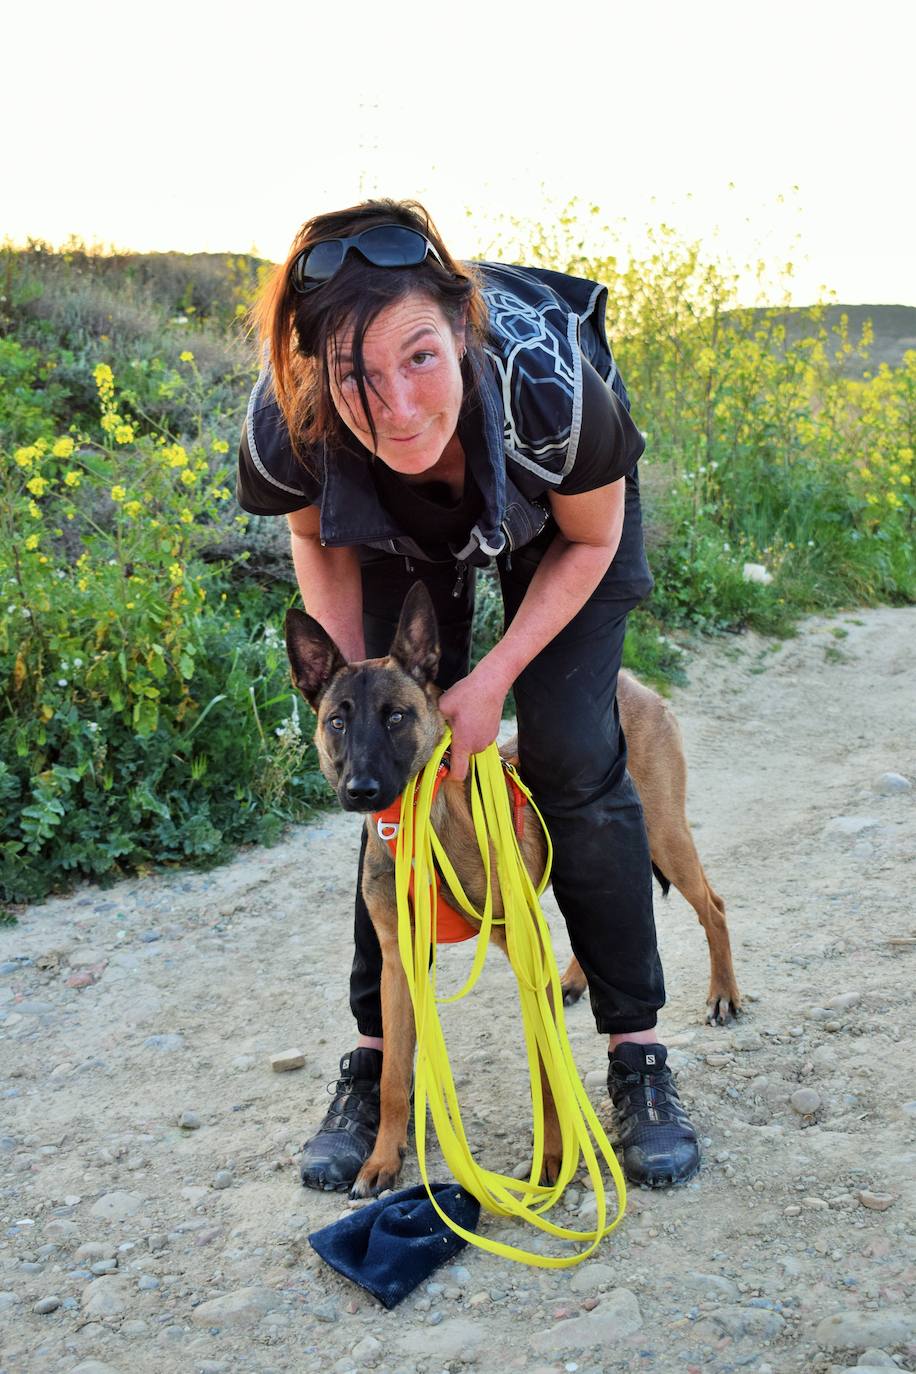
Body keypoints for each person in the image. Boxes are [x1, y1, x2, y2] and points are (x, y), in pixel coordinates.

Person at [237, 199, 701, 1192]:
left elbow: (589, 540)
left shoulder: (547, 385)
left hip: (564, 531)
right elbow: (314, 540)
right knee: (390, 780)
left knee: (575, 751)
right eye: (357, 375)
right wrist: (379, 691)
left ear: (460, 330)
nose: (397, 406)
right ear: (319, 373)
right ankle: (372, 1065)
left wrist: (489, 682)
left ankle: (635, 1055)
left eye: (418, 359)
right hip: (399, 528)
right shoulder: (291, 415)